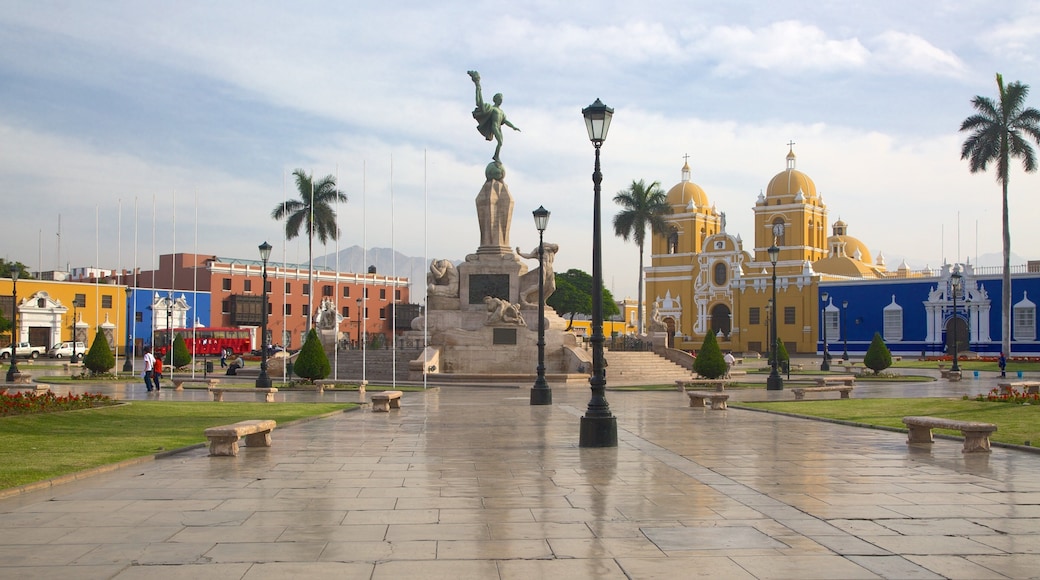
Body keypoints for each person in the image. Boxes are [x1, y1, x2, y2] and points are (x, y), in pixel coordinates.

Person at [468, 70, 520, 163]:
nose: (501, 100)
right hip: (494, 126)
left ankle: (496, 156)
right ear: (495, 99)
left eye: (502, 99)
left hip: (498, 128)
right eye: (499, 98)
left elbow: (505, 121)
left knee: (501, 142)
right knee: (500, 142)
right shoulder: (492, 108)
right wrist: (478, 86)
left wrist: (513, 127)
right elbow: (480, 104)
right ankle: (496, 157)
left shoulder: (501, 112)